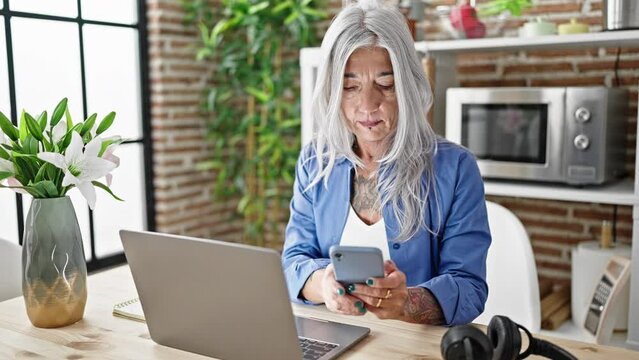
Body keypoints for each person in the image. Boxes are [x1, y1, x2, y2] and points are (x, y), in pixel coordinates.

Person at [281, 0, 491, 326]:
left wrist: (405, 303)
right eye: (350, 86)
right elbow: (293, 261)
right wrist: (323, 284)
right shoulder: (315, 162)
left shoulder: (456, 169)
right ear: (332, 91)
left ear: (407, 86)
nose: (368, 105)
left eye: (385, 84)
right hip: (335, 341)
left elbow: (469, 286)